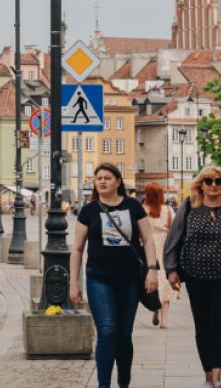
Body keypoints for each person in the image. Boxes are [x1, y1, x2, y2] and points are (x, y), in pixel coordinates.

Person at [163, 165, 221, 388]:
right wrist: (172, 269)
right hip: (196, 277)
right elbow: (173, 240)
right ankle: (207, 376)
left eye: (218, 181)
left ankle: (217, 376)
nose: (213, 185)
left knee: (220, 326)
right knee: (202, 326)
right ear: (201, 185)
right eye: (208, 181)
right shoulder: (189, 206)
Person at [70, 163, 153, 388]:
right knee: (107, 332)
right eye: (99, 178)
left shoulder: (133, 206)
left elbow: (148, 239)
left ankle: (124, 383)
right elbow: (77, 248)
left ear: (118, 181)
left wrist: (153, 271)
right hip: (99, 277)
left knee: (124, 335)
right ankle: (104, 385)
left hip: (130, 279)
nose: (103, 181)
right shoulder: (89, 210)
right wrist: (73, 283)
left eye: (107, 177)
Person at [140, 182, 177, 329]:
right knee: (165, 282)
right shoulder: (168, 210)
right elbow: (174, 229)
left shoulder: (142, 210)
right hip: (164, 247)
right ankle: (164, 320)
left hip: (147, 247)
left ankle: (155, 308)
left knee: (152, 279)